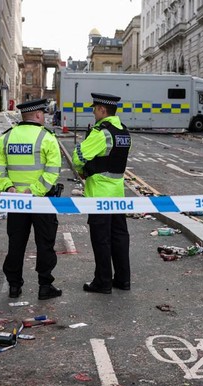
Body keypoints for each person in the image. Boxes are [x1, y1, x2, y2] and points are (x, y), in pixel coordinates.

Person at [0, 98, 63, 300]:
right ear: (39, 115)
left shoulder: (6, 138)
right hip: (42, 201)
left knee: (16, 243)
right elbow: (52, 171)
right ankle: (45, 286)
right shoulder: (47, 137)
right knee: (45, 243)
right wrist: (34, 191)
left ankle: (14, 286)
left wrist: (9, 187)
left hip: (15, 201)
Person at [72, 93, 132, 294]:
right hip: (118, 193)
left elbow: (78, 155)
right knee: (119, 237)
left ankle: (103, 281)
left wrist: (81, 168)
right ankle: (123, 279)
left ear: (102, 110)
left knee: (101, 239)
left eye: (94, 108)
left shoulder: (101, 133)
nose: (93, 111)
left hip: (99, 194)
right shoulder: (123, 131)